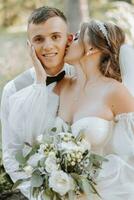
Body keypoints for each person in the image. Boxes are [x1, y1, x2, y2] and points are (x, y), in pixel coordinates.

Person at [55, 20, 134, 199]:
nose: (68, 40)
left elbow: (131, 150)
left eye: (76, 38)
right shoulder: (64, 85)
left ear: (91, 49)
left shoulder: (114, 91)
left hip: (105, 189)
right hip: (61, 190)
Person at [0, 6, 74, 200]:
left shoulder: (84, 79)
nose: (47, 46)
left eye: (55, 36)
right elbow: (11, 155)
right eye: (39, 39)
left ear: (69, 39)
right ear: (29, 45)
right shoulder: (13, 90)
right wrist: (40, 196)